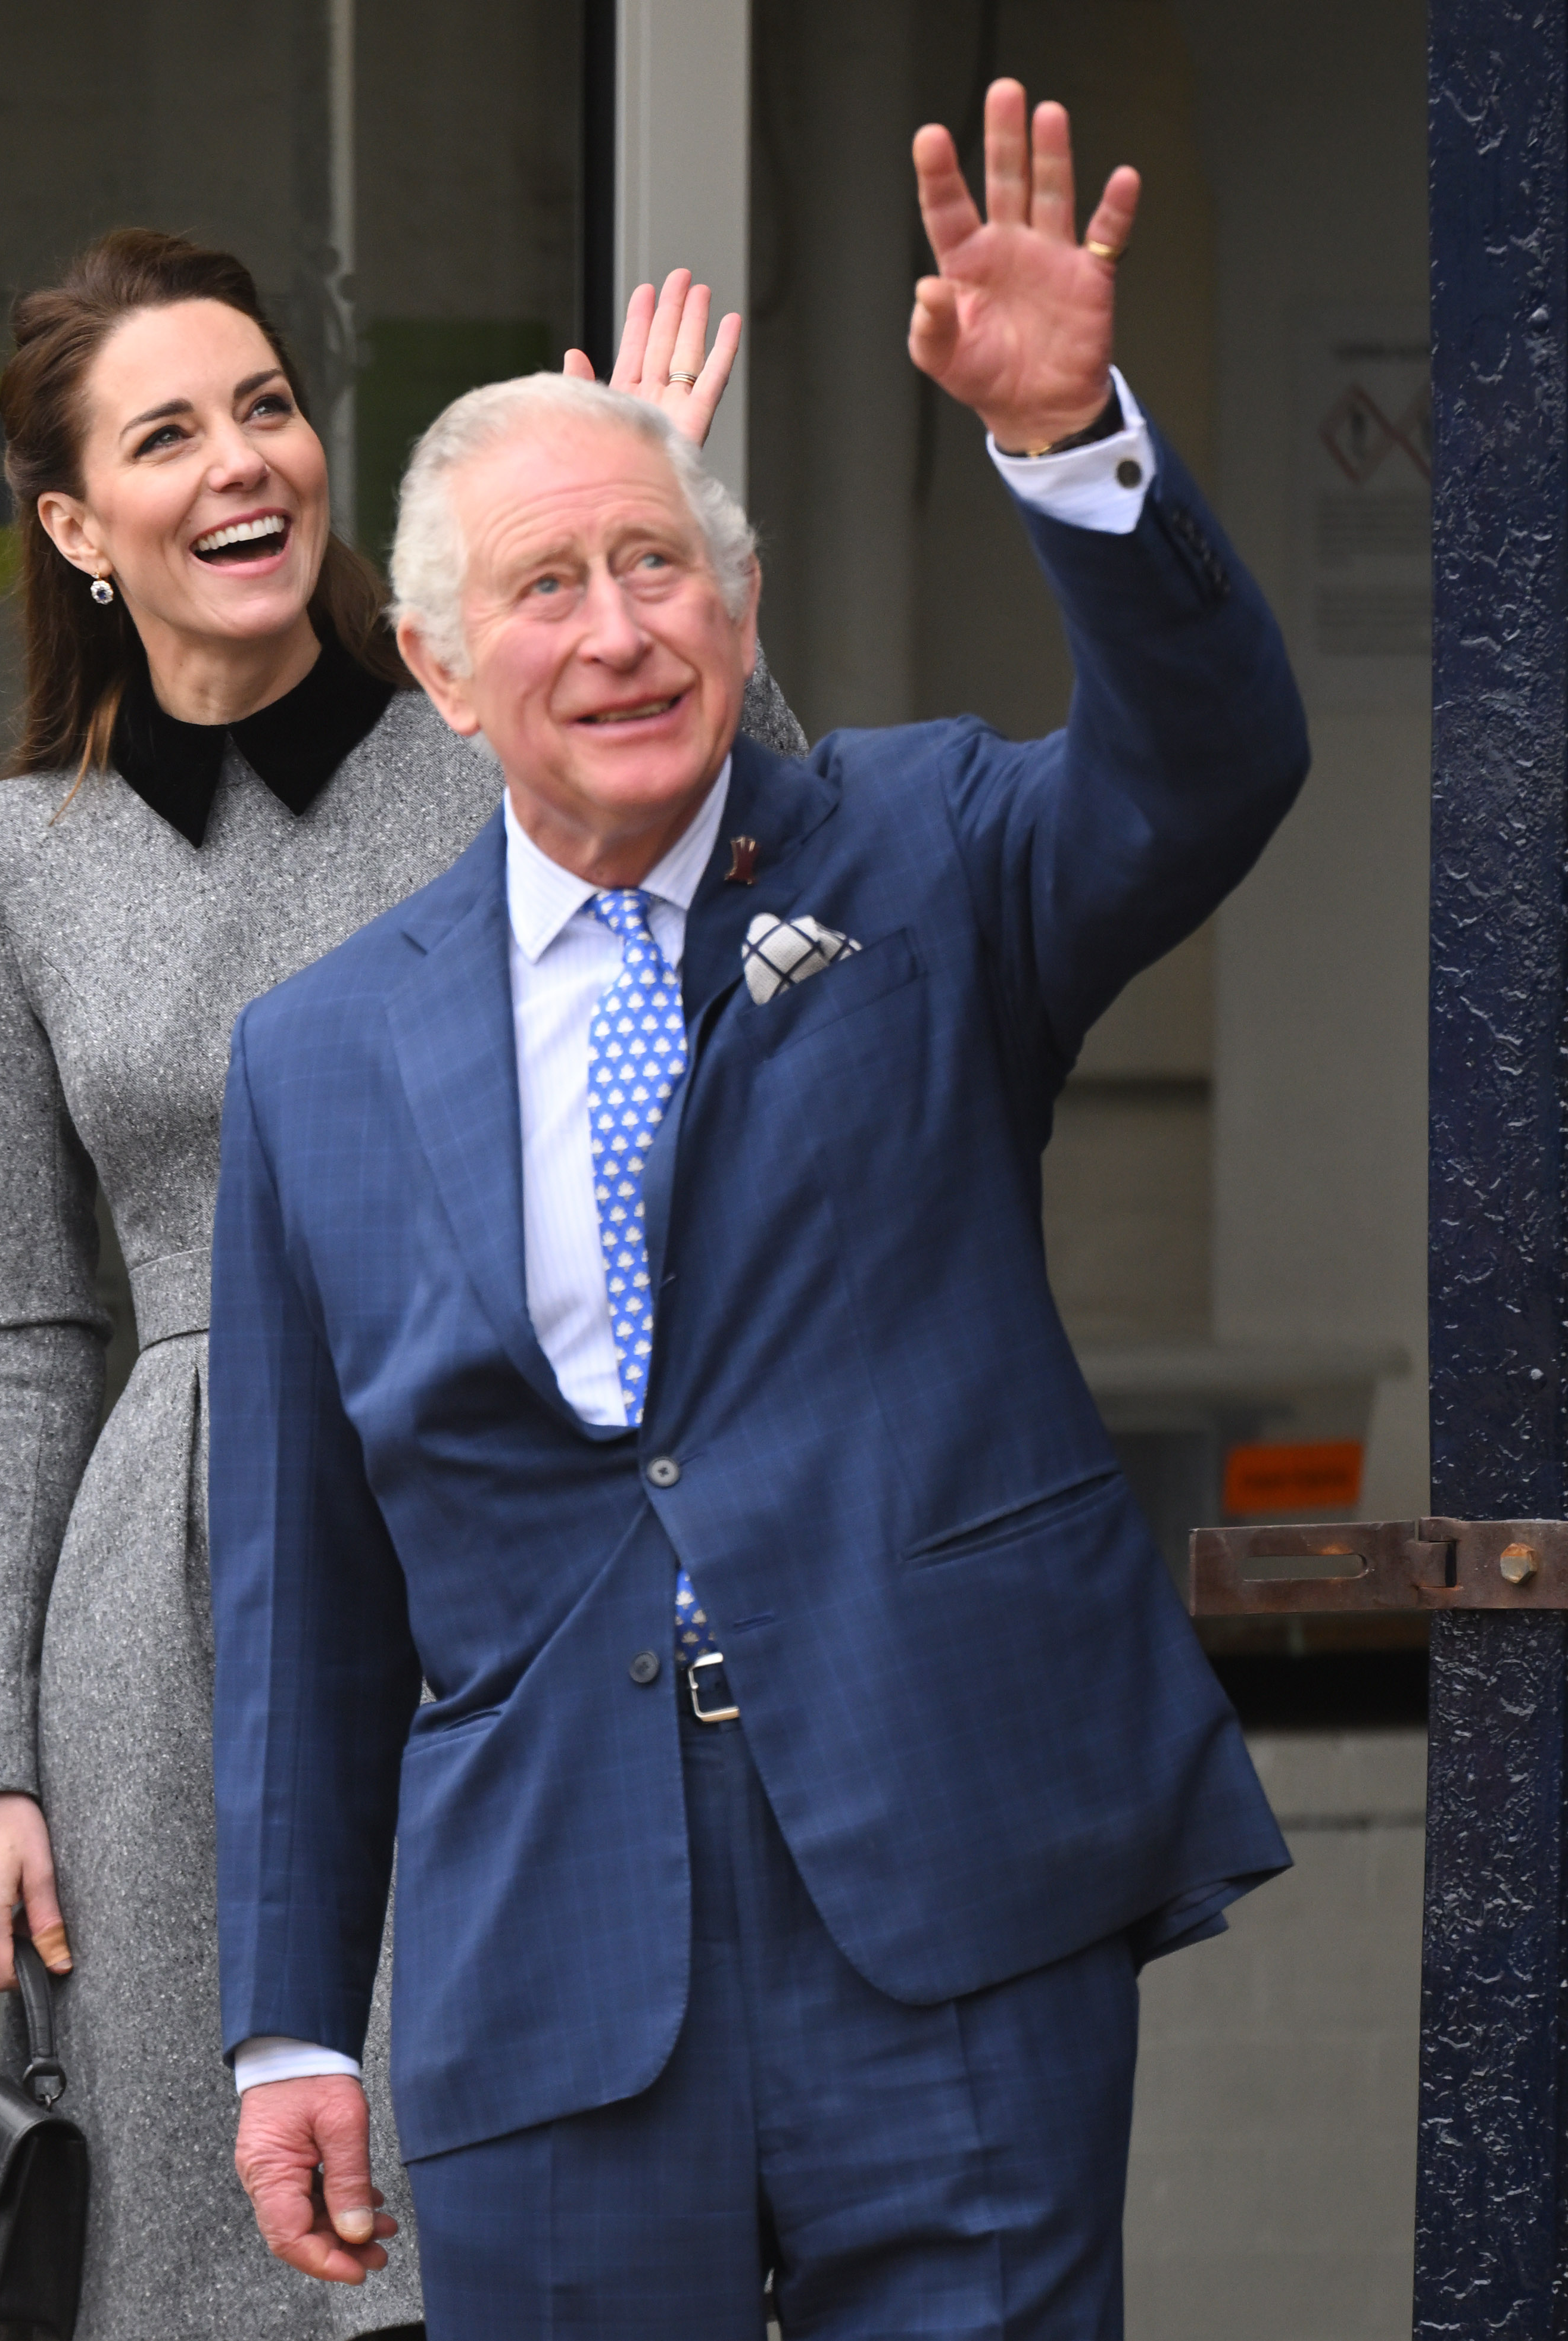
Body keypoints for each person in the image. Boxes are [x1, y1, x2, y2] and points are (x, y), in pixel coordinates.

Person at [210, 83, 1301, 2337]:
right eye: (544, 587)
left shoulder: (927, 856)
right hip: (549, 1945)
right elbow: (304, 1581)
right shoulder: (315, 1055)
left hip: (949, 1886)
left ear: (740, 599)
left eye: (657, 565)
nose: (616, 631)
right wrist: (292, 2016)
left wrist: (1071, 442)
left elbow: (1208, 770)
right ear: (436, 668)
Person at [0, 226, 801, 2341]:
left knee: (504, 2194)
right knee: (213, 2238)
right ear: (72, 524)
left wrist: (639, 534)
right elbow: (28, 1323)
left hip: (488, 1527)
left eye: (265, 409)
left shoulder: (477, 732)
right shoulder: (10, 848)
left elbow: (762, 849)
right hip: (162, 1605)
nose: (242, 464)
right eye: (167, 434)